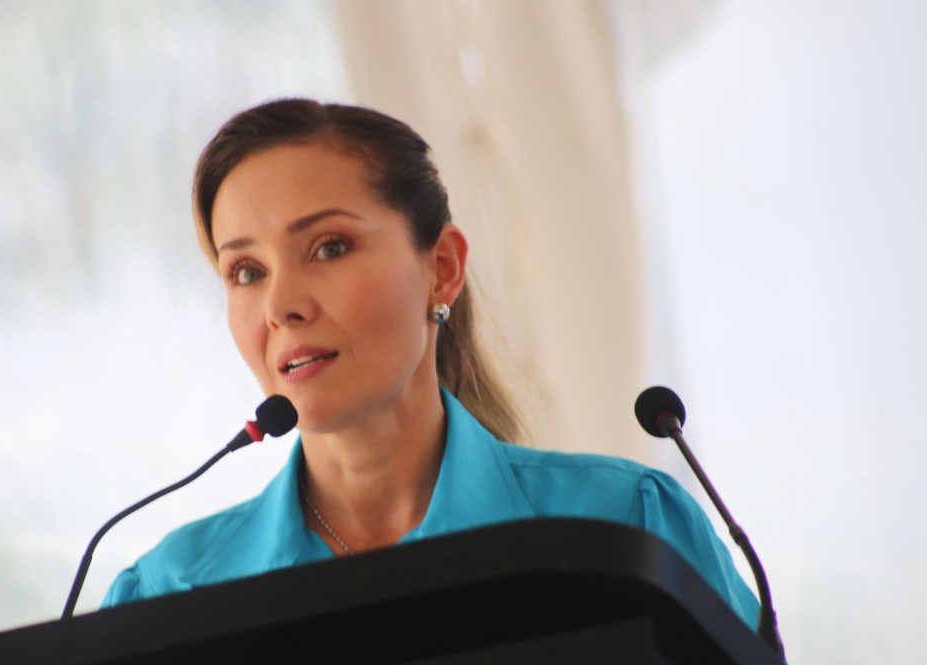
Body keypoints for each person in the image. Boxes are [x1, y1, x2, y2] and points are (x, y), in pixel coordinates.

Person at [102, 98, 759, 628]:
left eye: (329, 248)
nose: (280, 307)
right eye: (246, 271)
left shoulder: (624, 527)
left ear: (441, 268)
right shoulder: (167, 594)